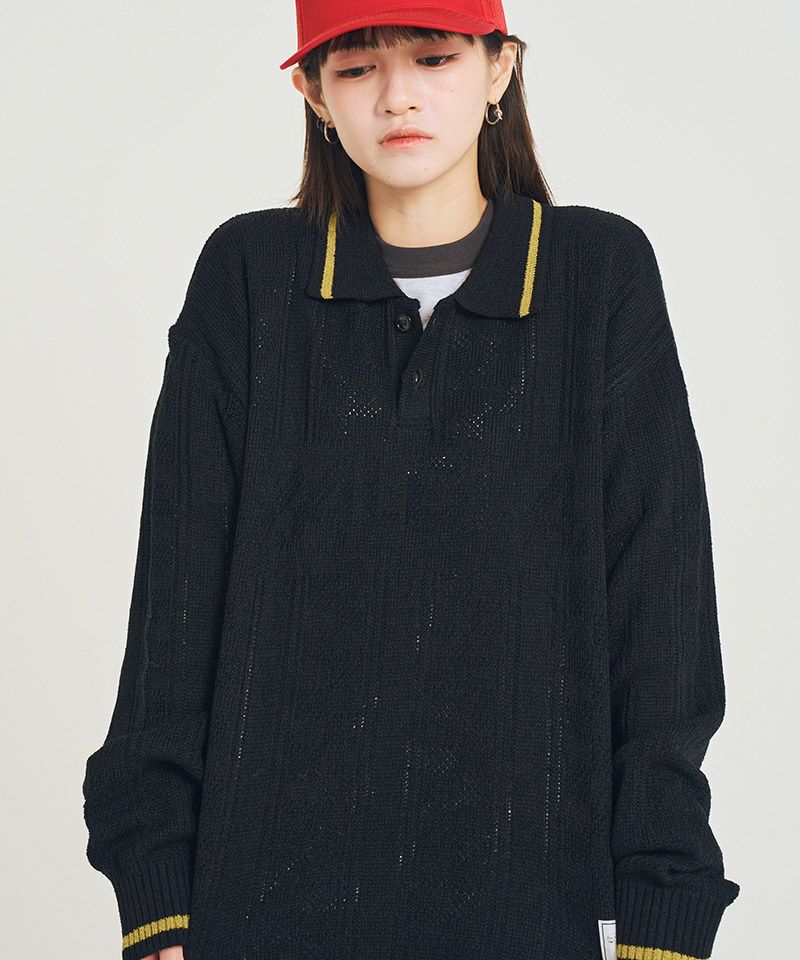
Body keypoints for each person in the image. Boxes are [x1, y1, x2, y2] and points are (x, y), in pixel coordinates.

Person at [81, 1, 742, 958]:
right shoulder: (249, 276)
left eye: (434, 58)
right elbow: (173, 611)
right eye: (356, 68)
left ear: (498, 70)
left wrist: (664, 912)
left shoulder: (597, 276)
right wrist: (156, 908)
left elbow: (663, 616)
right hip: (256, 906)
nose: (397, 97)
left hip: (535, 906)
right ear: (313, 92)